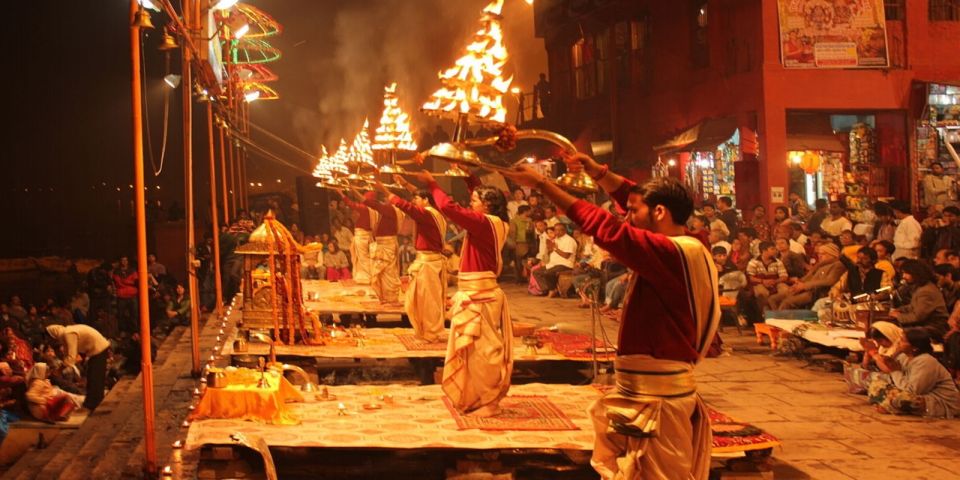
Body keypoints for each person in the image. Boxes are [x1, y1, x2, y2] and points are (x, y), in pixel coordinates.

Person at [503, 154, 719, 480]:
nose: (625, 215)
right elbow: (639, 198)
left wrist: (544, 184)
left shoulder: (671, 252)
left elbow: (604, 228)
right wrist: (598, 172)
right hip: (647, 391)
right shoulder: (684, 240)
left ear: (660, 212)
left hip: (659, 398)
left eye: (632, 212)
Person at [414, 171, 512, 417]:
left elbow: (449, 206)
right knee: (472, 351)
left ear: (487, 205)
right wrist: (468, 175)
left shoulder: (484, 223)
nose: (472, 203)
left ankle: (490, 402)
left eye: (475, 201)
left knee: (483, 351)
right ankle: (476, 397)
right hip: (475, 291)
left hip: (481, 295)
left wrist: (432, 183)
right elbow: (474, 195)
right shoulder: (492, 221)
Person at [382, 179, 448, 342]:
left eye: (417, 199)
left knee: (428, 301)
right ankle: (426, 331)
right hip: (427, 262)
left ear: (426, 201)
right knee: (418, 299)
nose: (414, 201)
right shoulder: (434, 212)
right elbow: (416, 195)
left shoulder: (427, 214)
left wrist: (383, 189)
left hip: (428, 264)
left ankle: (431, 333)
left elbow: (407, 207)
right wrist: (404, 183)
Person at [869, 329, 960, 418]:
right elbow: (893, 378)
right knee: (876, 383)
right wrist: (896, 354)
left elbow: (913, 391)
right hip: (914, 393)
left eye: (903, 341)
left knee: (902, 398)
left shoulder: (926, 361)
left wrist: (895, 371)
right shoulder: (904, 357)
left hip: (938, 402)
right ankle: (890, 403)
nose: (898, 343)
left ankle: (891, 406)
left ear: (914, 347)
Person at [46, 324, 110, 411]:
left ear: (54, 335)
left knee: (95, 377)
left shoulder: (68, 334)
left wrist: (59, 370)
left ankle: (93, 403)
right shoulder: (65, 335)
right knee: (92, 376)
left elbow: (72, 356)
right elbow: (67, 354)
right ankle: (91, 402)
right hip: (95, 350)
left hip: (98, 348)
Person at [360, 190, 406, 304]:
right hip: (383, 244)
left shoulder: (391, 210)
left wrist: (354, 191)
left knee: (388, 273)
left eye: (388, 198)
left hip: (387, 244)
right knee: (383, 273)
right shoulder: (390, 211)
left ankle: (390, 298)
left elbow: (374, 205)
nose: (385, 199)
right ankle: (385, 297)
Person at [768, 243, 845, 311]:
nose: (819, 256)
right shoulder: (820, 265)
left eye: (823, 254)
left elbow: (829, 281)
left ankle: (779, 322)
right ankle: (773, 319)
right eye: (819, 254)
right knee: (773, 299)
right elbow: (808, 277)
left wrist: (804, 286)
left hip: (816, 292)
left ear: (832, 254)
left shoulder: (837, 265)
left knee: (787, 302)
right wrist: (798, 283)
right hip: (805, 289)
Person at [890, 260, 949, 340]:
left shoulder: (926, 291)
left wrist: (898, 316)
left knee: (896, 333)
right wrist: (899, 310)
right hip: (927, 324)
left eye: (906, 273)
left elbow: (917, 317)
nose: (903, 276)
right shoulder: (922, 287)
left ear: (916, 273)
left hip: (934, 328)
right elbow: (913, 306)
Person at [844, 322, 904, 394]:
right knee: (855, 371)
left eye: (880, 341)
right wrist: (867, 351)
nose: (879, 344)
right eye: (877, 341)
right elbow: (865, 365)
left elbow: (888, 369)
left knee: (872, 377)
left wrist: (874, 354)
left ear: (888, 335)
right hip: (886, 374)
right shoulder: (883, 347)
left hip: (899, 377)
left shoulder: (901, 345)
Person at [340, 192, 377, 284]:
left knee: (363, 259)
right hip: (369, 236)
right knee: (366, 258)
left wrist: (340, 193)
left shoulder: (364, 209)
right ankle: (367, 276)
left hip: (362, 237)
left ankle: (365, 278)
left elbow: (350, 203)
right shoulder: (375, 210)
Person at [533, 224, 577, 297]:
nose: (557, 232)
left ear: (565, 231)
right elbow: (551, 250)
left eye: (560, 230)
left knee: (548, 273)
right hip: (553, 264)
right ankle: (549, 289)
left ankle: (552, 289)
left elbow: (566, 256)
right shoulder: (556, 239)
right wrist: (549, 246)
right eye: (556, 230)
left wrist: (555, 248)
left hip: (565, 264)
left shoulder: (569, 240)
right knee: (536, 272)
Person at [747, 241, 789, 315]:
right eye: (772, 249)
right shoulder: (753, 262)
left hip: (776, 283)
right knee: (762, 292)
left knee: (785, 290)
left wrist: (774, 281)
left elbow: (784, 276)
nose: (775, 251)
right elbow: (750, 277)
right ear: (764, 251)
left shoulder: (778, 262)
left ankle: (780, 313)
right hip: (759, 283)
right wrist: (763, 281)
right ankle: (767, 313)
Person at [507, 205, 534, 282]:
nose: (530, 212)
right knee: (519, 262)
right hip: (520, 243)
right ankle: (520, 278)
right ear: (525, 211)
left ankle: (522, 278)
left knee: (521, 262)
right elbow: (512, 233)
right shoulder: (515, 221)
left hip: (524, 243)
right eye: (529, 211)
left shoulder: (528, 220)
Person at [113, 256, 138, 334]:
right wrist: (129, 282)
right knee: (121, 315)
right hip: (121, 295)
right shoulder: (116, 271)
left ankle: (135, 331)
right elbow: (117, 282)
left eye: (125, 260)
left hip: (132, 295)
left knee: (134, 314)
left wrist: (124, 282)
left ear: (128, 261)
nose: (124, 262)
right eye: (122, 260)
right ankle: (122, 331)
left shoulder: (132, 270)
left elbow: (136, 281)